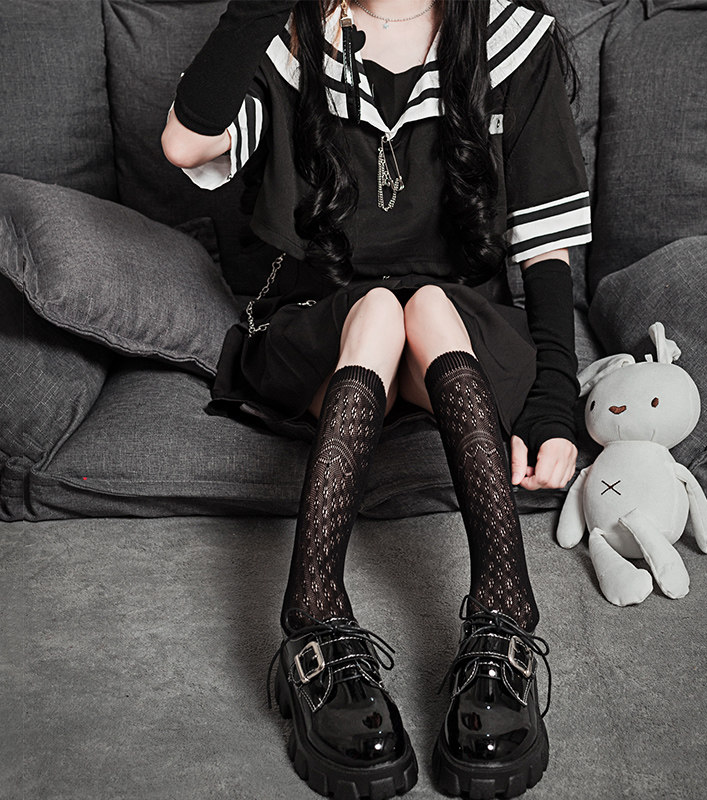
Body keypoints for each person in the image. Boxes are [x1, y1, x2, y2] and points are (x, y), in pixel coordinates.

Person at [161, 1, 591, 797]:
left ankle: (503, 614)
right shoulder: (293, 35)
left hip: (454, 326)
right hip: (324, 325)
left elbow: (547, 246)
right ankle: (314, 618)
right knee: (381, 311)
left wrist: (553, 407)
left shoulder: (511, 35)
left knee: (420, 305)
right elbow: (187, 144)